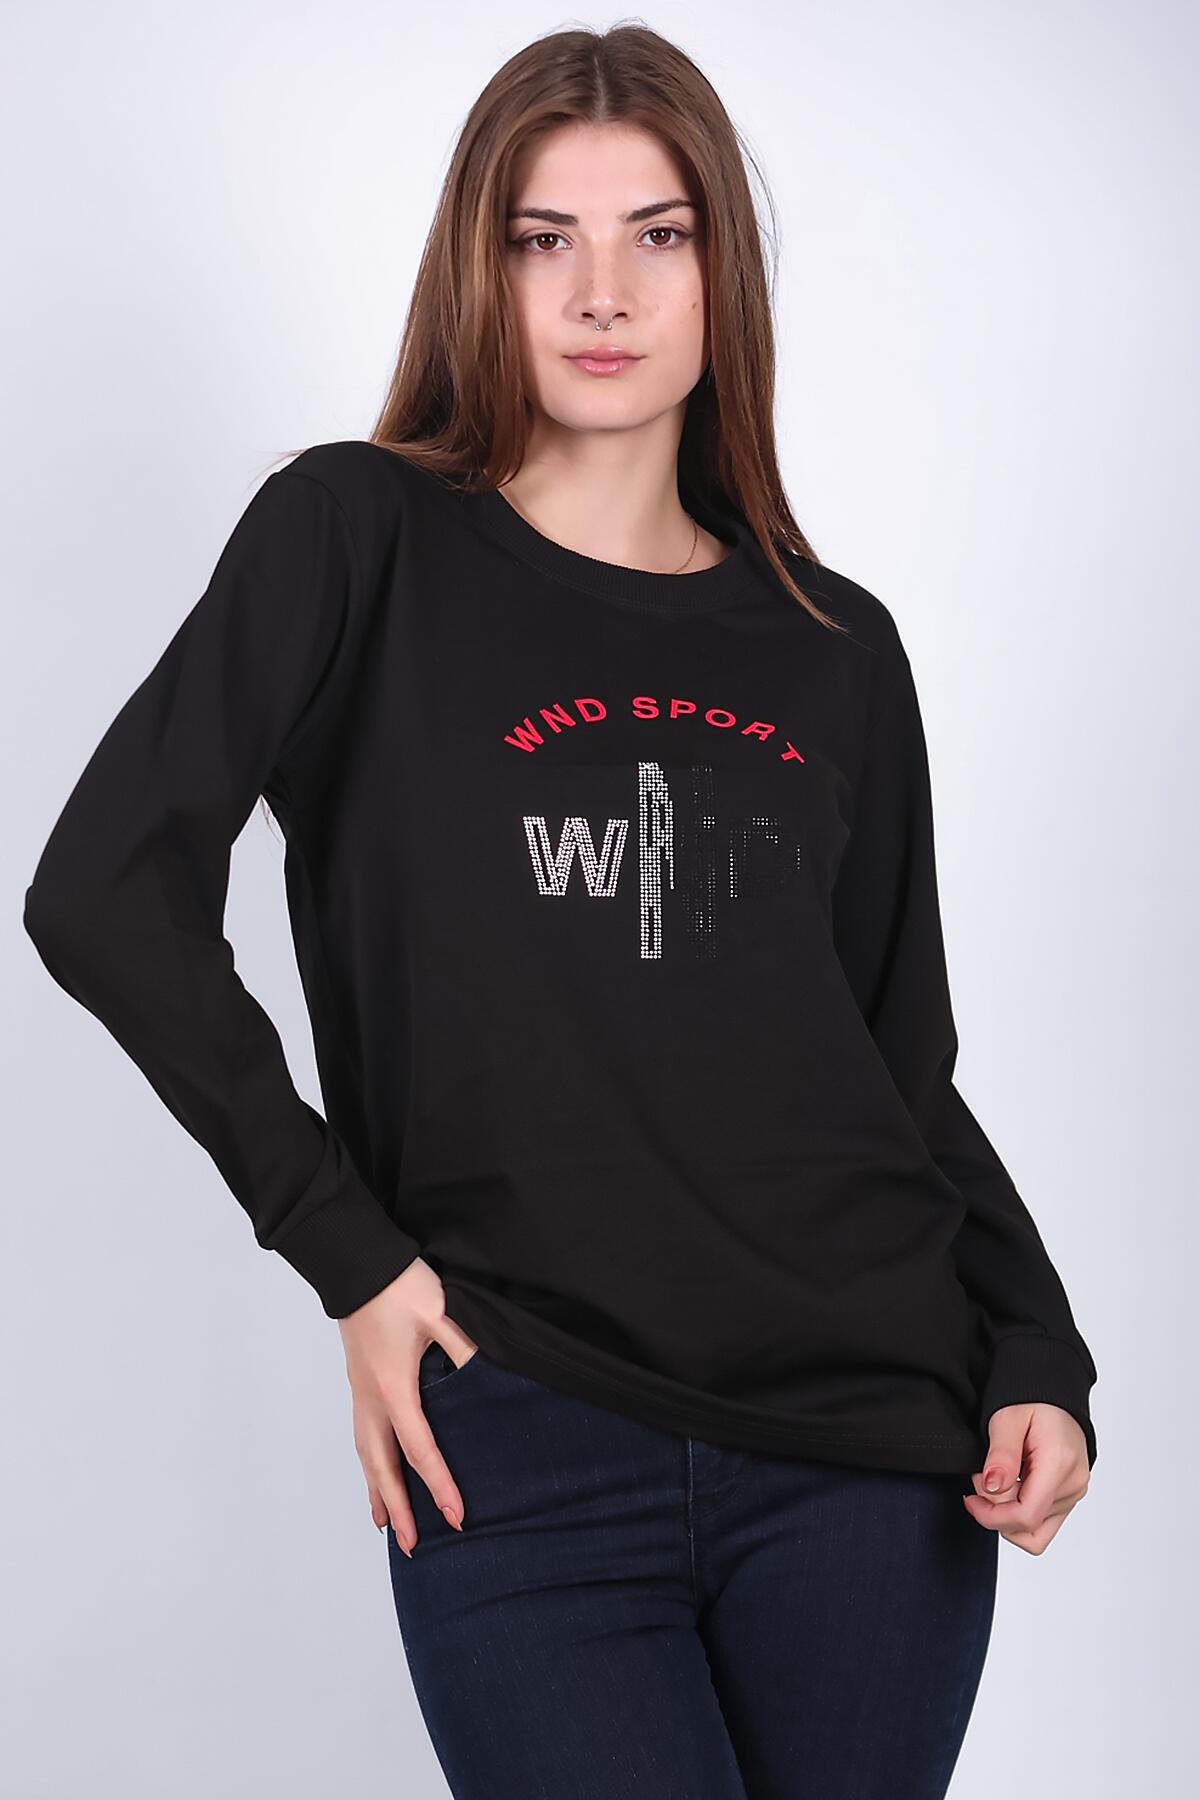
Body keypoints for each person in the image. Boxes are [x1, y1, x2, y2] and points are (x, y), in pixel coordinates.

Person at [22, 22, 1097, 1800]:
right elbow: (102, 895)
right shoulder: (354, 538)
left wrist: (1038, 1351)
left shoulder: (835, 646)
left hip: (869, 1455)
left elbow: (899, 1072)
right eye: (545, 240)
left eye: (658, 235)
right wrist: (348, 1254)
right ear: (483, 267)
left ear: (720, 273)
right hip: (518, 1435)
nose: (604, 292)